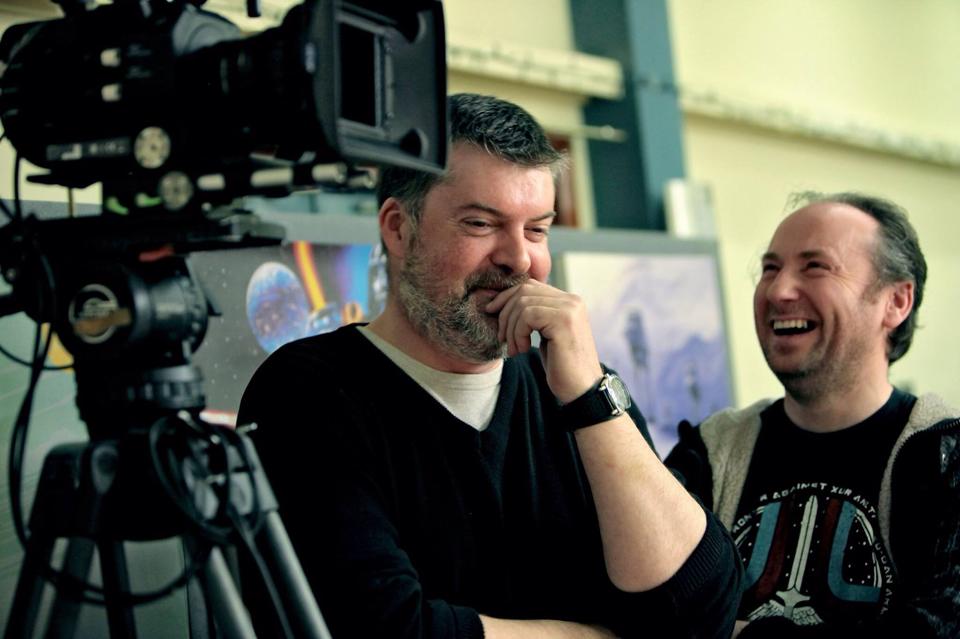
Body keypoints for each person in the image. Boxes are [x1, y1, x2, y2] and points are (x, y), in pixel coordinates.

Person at [238, 93, 742, 638]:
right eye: (481, 224)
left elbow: (702, 612)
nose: (519, 258)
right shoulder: (306, 392)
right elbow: (385, 627)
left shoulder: (579, 391)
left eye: (537, 230)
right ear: (398, 229)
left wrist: (591, 398)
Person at [665, 192, 960, 638]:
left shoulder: (945, 455)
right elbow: (648, 605)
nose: (778, 291)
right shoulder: (711, 450)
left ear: (896, 302)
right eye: (770, 269)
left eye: (815, 267)